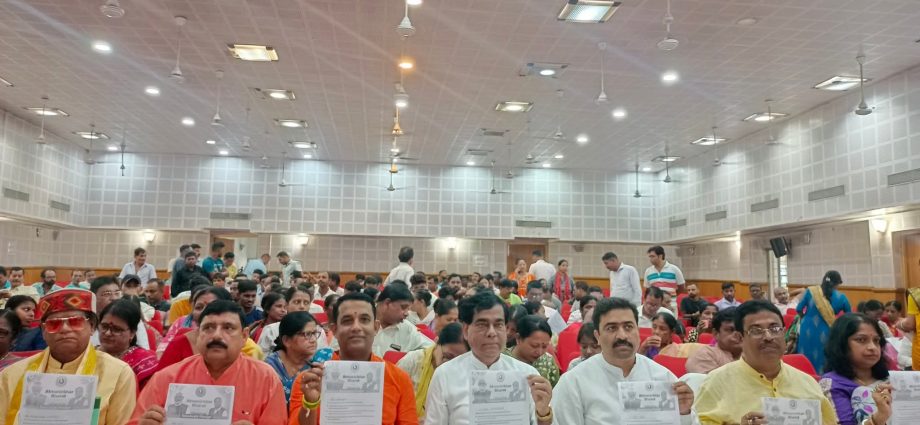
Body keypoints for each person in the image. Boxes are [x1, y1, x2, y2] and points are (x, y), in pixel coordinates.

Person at [131, 301, 287, 424]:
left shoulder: (265, 379)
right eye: (208, 328)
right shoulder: (167, 378)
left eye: (228, 328)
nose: (217, 335)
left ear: (244, 336)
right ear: (198, 334)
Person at [550, 297, 696, 425]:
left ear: (637, 331)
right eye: (611, 328)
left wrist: (684, 414)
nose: (622, 336)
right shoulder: (574, 382)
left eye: (628, 327)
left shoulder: (664, 378)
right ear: (598, 336)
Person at [0, 288, 136, 424]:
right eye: (54, 324)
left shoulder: (118, 373)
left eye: (75, 321)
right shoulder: (11, 375)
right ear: (43, 331)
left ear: (92, 326)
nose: (64, 329)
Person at [693, 300, 838, 425]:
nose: (768, 337)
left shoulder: (807, 383)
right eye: (756, 331)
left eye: (775, 329)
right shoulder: (716, 383)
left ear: (784, 333)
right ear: (740, 338)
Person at [424, 291, 554, 425]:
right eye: (482, 324)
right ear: (466, 331)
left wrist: (543, 412)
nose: (491, 333)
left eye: (498, 325)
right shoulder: (445, 375)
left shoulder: (527, 374)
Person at [289, 292, 419, 425]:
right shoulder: (310, 381)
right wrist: (310, 403)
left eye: (364, 320)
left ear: (375, 328)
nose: (356, 327)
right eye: (347, 321)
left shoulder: (399, 379)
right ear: (334, 330)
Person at [820, 313, 894, 425]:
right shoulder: (833, 384)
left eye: (876, 340)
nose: (872, 347)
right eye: (861, 340)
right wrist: (877, 419)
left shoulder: (890, 379)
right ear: (842, 344)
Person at [396, 322, 468, 422]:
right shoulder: (412, 361)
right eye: (447, 357)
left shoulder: (463, 373)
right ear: (436, 342)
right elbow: (391, 402)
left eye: (457, 361)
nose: (450, 364)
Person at [797, 270, 852, 373]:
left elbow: (799, 309)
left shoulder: (810, 291)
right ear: (838, 283)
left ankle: (805, 375)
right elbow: (849, 316)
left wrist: (805, 318)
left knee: (805, 354)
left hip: (807, 328)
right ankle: (823, 377)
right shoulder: (842, 297)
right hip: (827, 329)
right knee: (823, 356)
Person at [96, 299, 158, 389]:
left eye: (116, 329)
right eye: (104, 326)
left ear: (132, 333)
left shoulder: (144, 362)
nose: (108, 333)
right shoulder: (87, 354)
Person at [265, 311, 320, 405]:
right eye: (307, 334)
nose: (314, 340)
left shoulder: (319, 361)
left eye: (315, 333)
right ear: (286, 340)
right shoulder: (270, 367)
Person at [258, 285, 327, 353]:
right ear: (286, 305)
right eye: (297, 302)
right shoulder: (271, 330)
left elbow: (322, 355)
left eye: (306, 303)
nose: (302, 306)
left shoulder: (318, 331)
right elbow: (261, 358)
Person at [370, 283, 433, 356]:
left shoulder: (407, 328)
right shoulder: (363, 322)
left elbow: (431, 349)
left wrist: (409, 357)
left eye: (408, 309)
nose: (407, 313)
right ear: (387, 303)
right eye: (403, 307)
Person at [505, 314, 560, 386]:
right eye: (534, 346)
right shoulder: (502, 359)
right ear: (518, 338)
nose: (539, 352)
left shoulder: (548, 362)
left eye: (544, 346)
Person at [686, 307, 742, 373]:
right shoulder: (705, 354)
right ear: (715, 333)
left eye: (742, 330)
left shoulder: (750, 353)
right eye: (730, 330)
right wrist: (697, 332)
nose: (738, 334)